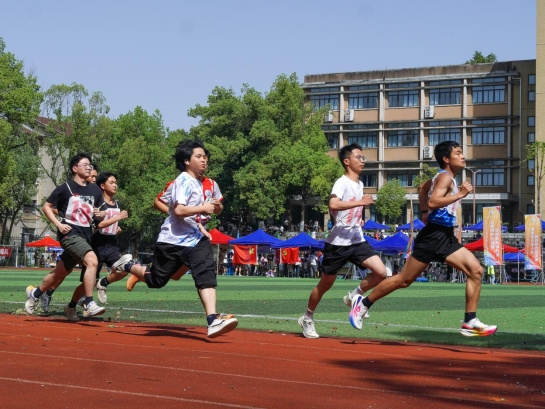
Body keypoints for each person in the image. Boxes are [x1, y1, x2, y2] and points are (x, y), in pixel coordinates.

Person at [349, 141, 497, 337]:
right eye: (458, 153)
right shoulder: (445, 177)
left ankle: (470, 320)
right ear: (446, 159)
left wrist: (425, 212)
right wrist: (460, 194)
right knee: (403, 280)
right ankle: (363, 304)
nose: (463, 156)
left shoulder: (443, 177)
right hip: (433, 236)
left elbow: (422, 189)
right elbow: (434, 200)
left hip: (445, 235)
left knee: (476, 271)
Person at [122, 139, 237, 338]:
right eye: (199, 157)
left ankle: (213, 320)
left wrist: (216, 208)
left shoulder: (210, 184)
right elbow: (179, 209)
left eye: (205, 157)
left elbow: (217, 207)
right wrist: (202, 209)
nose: (204, 160)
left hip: (195, 237)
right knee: (158, 280)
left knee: (206, 272)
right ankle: (128, 265)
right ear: (186, 160)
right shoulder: (182, 181)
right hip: (172, 240)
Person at [298, 143, 387, 339]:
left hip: (356, 239)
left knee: (381, 272)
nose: (363, 161)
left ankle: (353, 295)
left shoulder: (359, 184)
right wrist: (360, 203)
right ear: (347, 161)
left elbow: (345, 208)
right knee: (325, 284)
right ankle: (307, 318)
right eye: (359, 157)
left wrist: (358, 216)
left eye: (363, 157)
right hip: (338, 243)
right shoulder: (342, 182)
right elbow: (333, 203)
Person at [24, 153, 115, 319]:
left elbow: (99, 214)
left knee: (59, 273)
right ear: (75, 168)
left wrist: (99, 214)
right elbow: (46, 206)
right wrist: (58, 224)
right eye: (85, 165)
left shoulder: (94, 190)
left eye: (90, 165)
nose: (89, 167)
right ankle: (89, 302)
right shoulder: (65, 188)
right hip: (69, 235)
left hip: (85, 237)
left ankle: (35, 294)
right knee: (92, 261)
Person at [61, 172, 132, 321]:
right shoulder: (97, 205)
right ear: (102, 186)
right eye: (111, 182)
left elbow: (110, 224)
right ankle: (72, 305)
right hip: (96, 245)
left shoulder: (116, 203)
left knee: (124, 270)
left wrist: (116, 228)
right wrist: (117, 218)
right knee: (87, 283)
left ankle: (103, 282)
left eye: (116, 182)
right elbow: (98, 225)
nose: (115, 185)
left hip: (112, 244)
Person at [39, 163, 100, 312]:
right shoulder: (70, 190)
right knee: (91, 263)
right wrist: (61, 220)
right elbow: (53, 207)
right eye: (92, 176)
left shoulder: (95, 193)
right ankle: (84, 301)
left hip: (90, 237)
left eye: (95, 177)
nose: (93, 178)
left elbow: (99, 218)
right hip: (73, 235)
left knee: (65, 270)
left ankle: (40, 293)